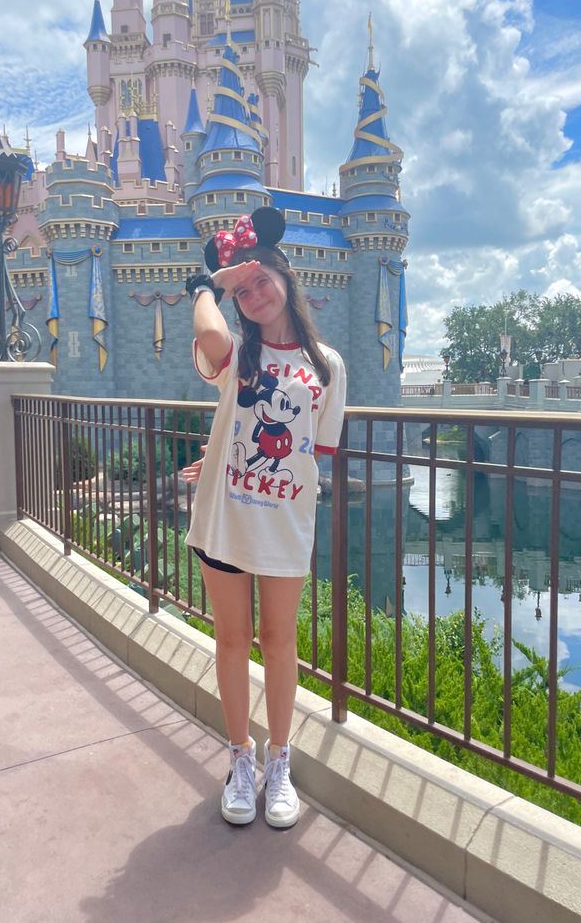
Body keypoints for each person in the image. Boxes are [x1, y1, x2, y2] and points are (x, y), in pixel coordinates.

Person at [182, 208, 347, 828]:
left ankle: (281, 761)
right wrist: (208, 285)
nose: (252, 297)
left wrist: (234, 454)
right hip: (225, 520)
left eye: (261, 283)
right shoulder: (236, 356)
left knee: (280, 644)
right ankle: (240, 759)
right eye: (243, 289)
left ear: (286, 279)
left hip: (284, 524)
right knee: (231, 640)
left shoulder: (326, 365)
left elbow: (315, 450)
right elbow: (207, 334)